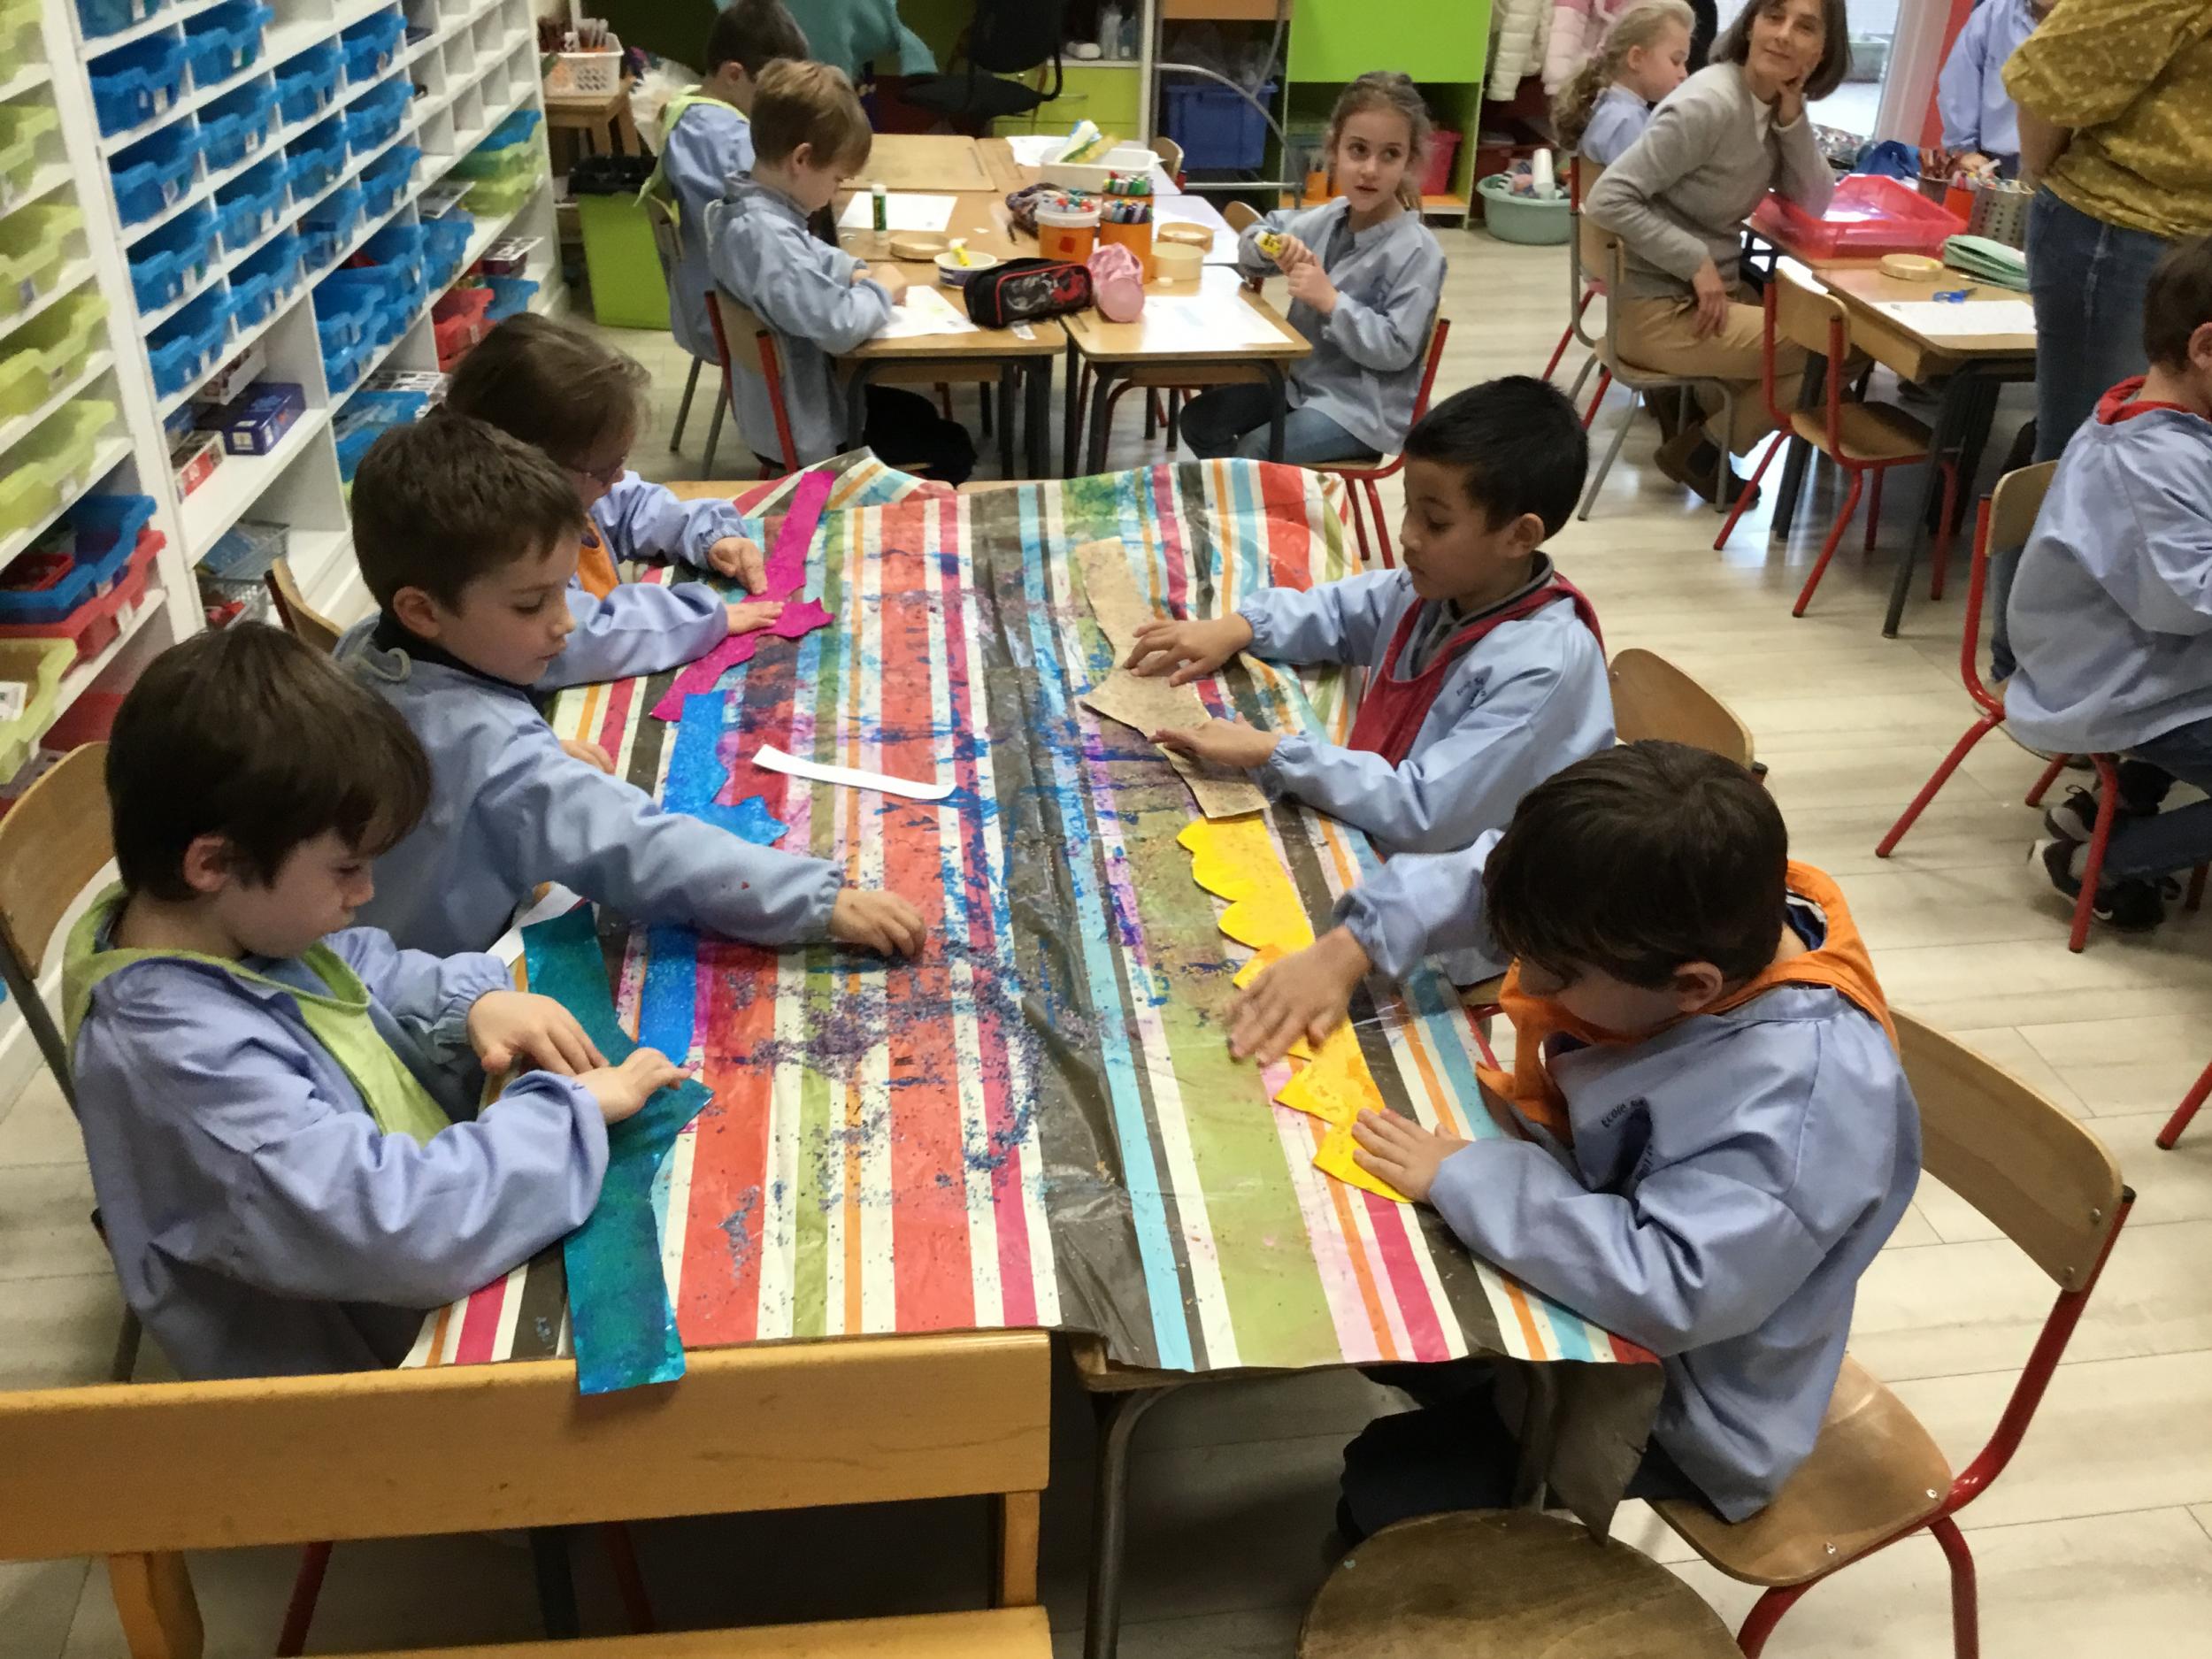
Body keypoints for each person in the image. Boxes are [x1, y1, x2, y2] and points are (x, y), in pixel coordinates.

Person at [1231, 742, 1921, 1537]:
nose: (1527, 979)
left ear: (1691, 986)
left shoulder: (1806, 1106)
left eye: (1555, 974)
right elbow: (1496, 879)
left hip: (1690, 1395)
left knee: (1389, 1484)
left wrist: (1474, 1179)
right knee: (1369, 1279)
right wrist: (1352, 944)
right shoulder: (1670, 905)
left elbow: (1673, 1287)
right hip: (1588, 1227)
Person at [64, 623, 687, 1380]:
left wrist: (469, 1004)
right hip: (359, 1376)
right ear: (213, 861)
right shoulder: (184, 1070)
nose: (365, 893)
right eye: (346, 869)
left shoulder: (210, 923)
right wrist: (570, 1116)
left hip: (418, 1242)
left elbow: (351, 967)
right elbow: (405, 1226)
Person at [336, 413, 929, 964]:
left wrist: (508, 764)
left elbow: (450, 756)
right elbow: (637, 846)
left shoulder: (364, 648)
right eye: (531, 604)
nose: (566, 622)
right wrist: (819, 902)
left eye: (563, 592)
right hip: (427, 992)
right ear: (422, 611)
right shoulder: (500, 760)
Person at [1125, 379, 1611, 981]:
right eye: (1409, 508)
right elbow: (1342, 612)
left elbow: (1425, 810)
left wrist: (1276, 752)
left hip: (1450, 925)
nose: (1407, 535)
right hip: (1376, 838)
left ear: (1520, 536)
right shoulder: (1446, 588)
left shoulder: (1543, 667)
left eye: (1435, 522)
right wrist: (1240, 626)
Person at [1985, 0, 2212, 678]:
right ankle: (2031, 674)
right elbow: (2045, 77)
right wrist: (2042, 180)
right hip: (2122, 230)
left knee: (2170, 475)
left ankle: (2118, 675)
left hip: (2186, 242)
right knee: (2085, 465)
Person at [2007, 234, 2212, 933]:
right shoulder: (2149, 462)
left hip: (2148, 661)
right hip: (2116, 681)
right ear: (2205, 348)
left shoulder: (2163, 418)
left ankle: (2112, 804)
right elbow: (2184, 601)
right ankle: (2101, 862)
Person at [442, 315, 785, 718]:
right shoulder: (503, 549)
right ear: (532, 471)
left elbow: (634, 504)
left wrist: (711, 535)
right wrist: (702, 619)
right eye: (605, 468)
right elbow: (583, 636)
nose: (618, 477)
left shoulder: (572, 492)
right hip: (536, 718)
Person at [1585, 0, 1847, 505]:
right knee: (1836, 350)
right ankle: (1705, 448)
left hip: (1707, 300)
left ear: (1821, 51)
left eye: (1805, 27)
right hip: (1660, 309)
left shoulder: (1768, 104)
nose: (1783, 34)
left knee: (1825, 346)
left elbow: (1814, 200)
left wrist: (1793, 116)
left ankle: (1696, 415)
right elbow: (1608, 198)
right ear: (1750, 26)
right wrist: (1694, 260)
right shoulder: (1709, 104)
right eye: (1774, 16)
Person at [704, 59, 975, 481]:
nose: (837, 191)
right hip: (809, 431)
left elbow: (807, 252)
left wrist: (851, 270)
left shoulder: (742, 210)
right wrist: (880, 291)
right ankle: (887, 519)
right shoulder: (767, 238)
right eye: (837, 179)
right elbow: (839, 325)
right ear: (802, 159)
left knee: (919, 410)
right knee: (953, 448)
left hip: (786, 412)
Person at [1179, 73, 1448, 466]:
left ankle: (1257, 493)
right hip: (1299, 384)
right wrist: (1270, 246)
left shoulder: (1419, 252)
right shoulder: (1329, 217)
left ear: (1410, 161)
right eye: (1358, 150)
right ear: (1334, 150)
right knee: (1200, 421)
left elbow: (1396, 349)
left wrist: (1331, 301)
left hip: (1361, 411)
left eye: (1390, 154)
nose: (1370, 169)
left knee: (1255, 451)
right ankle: (1257, 492)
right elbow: (1258, 232)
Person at [643, 0, 810, 373]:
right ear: (734, 74)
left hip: (708, 305)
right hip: (739, 320)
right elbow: (784, 209)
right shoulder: (726, 138)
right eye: (771, 92)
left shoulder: (689, 110)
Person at [1552, 0, 1695, 169]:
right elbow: (1639, 182)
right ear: (1636, 58)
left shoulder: (1609, 105)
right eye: (1676, 61)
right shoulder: (1626, 121)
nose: (1684, 74)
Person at [1937, 0, 2050, 180]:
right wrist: (1964, 150)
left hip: (2060, 175)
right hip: (1991, 164)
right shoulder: (1995, 10)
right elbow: (1960, 79)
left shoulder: (2089, 22)